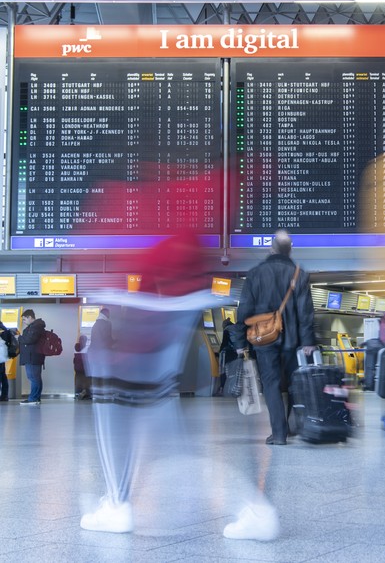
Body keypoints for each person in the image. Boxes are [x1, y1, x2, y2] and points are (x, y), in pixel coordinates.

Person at [80, 231, 280, 540]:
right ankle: (117, 503)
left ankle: (118, 505)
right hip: (166, 320)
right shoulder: (182, 230)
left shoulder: (163, 221)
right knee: (158, 427)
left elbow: (153, 277)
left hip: (153, 326)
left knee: (122, 416)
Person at [230, 230, 317, 446]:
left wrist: (240, 343)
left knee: (271, 383)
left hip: (263, 338)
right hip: (293, 340)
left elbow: (245, 310)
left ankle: (279, 433)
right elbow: (306, 311)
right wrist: (308, 341)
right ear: (290, 250)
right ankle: (293, 425)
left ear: (271, 249)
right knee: (295, 382)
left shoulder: (255, 273)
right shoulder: (299, 273)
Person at [18, 309, 46, 406]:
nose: (24, 322)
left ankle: (33, 398)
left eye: (24, 319)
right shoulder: (35, 327)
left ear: (30, 317)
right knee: (35, 378)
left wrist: (19, 337)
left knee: (33, 378)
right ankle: (35, 398)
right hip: (33, 357)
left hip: (33, 357)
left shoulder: (36, 327)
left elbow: (29, 340)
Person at [73, 335, 90, 400]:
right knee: (87, 381)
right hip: (84, 367)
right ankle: (87, 394)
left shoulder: (75, 347)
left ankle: (77, 393)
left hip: (77, 367)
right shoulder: (87, 348)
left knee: (78, 380)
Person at [0, 321, 13, 402]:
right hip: (2, 355)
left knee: (2, 375)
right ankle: (4, 395)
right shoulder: (3, 327)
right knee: (2, 375)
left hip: (1, 354)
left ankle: (4, 395)